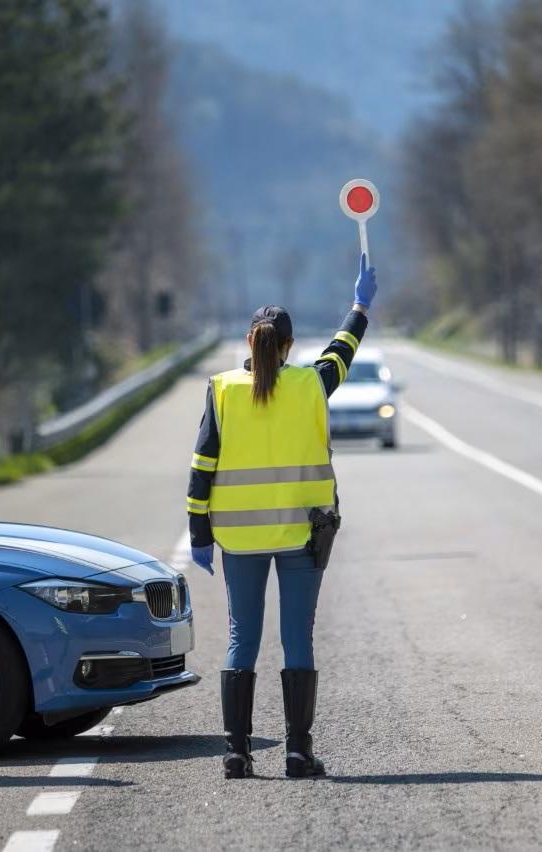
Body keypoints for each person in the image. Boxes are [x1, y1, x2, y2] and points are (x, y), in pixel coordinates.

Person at [186, 253, 378, 779]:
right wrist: (359, 305)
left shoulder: (222, 390)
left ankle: (236, 754)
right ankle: (297, 752)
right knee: (297, 638)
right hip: (300, 535)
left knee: (240, 639)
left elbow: (202, 466)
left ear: (250, 343)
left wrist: (199, 533)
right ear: (289, 345)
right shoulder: (311, 383)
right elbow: (343, 350)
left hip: (238, 540)